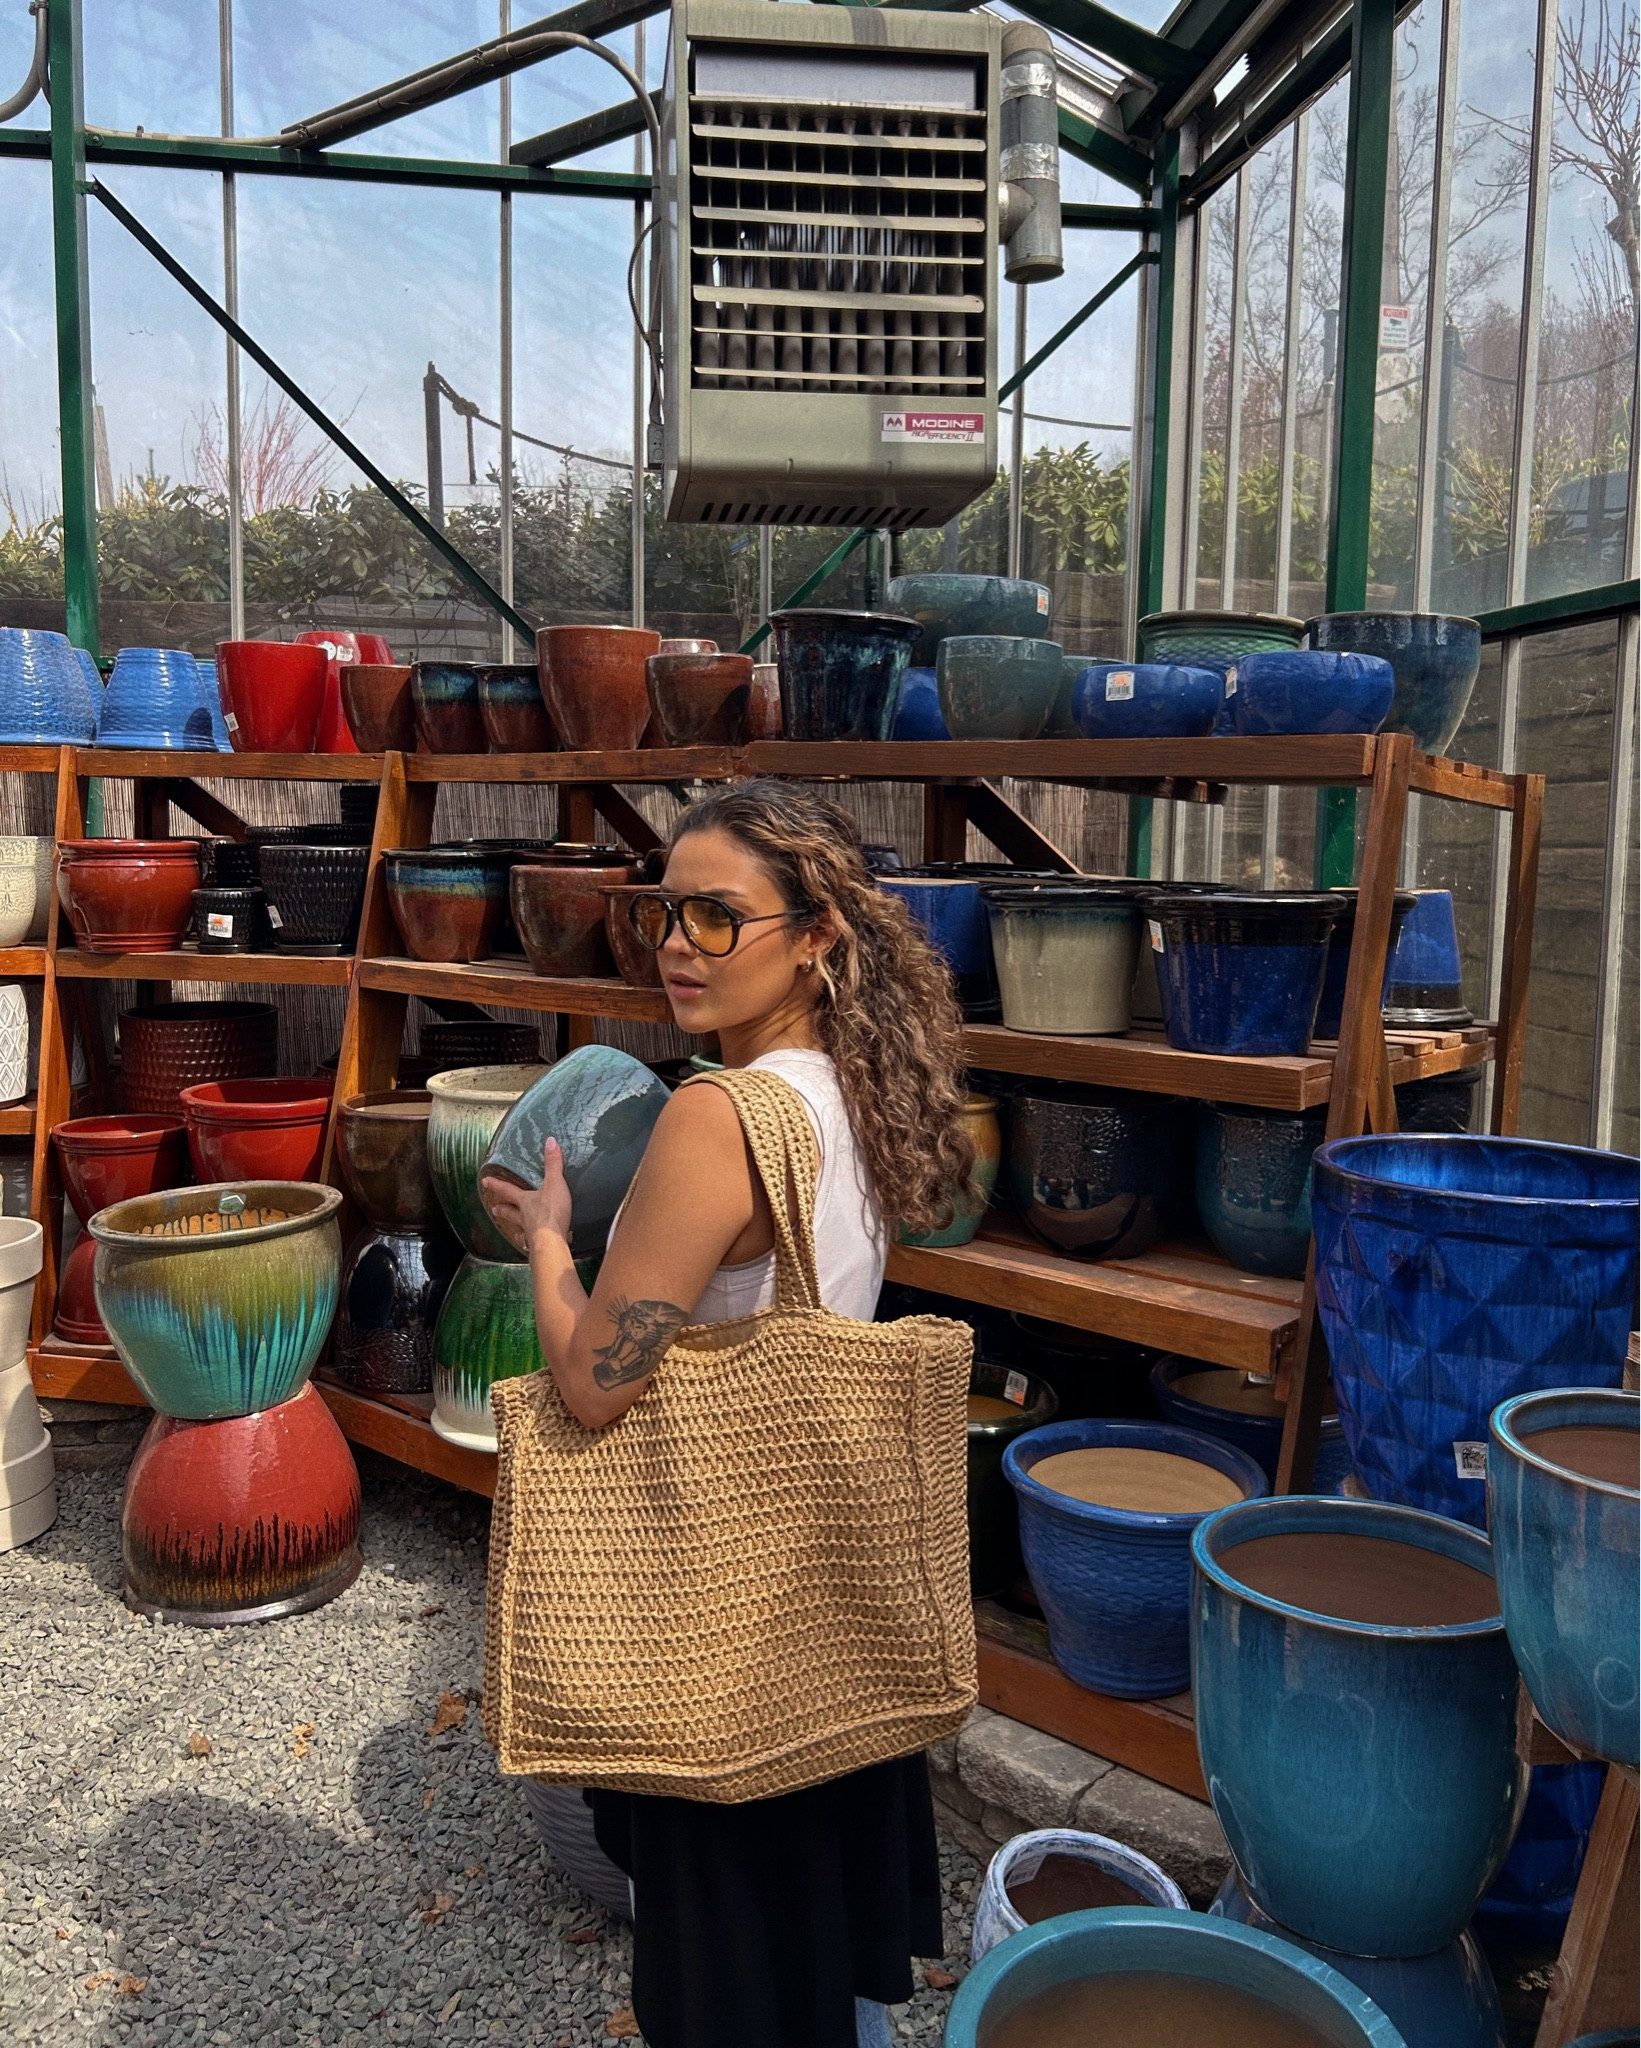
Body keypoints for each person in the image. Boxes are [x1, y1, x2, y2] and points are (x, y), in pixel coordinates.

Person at [479, 780, 976, 2048]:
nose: (678, 946)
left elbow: (596, 1388)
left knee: (737, 1980)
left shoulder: (718, 1116)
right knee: (823, 1968)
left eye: (718, 916)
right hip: (829, 1610)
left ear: (815, 934)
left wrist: (547, 1248)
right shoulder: (853, 1093)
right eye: (665, 914)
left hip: (720, 1630)